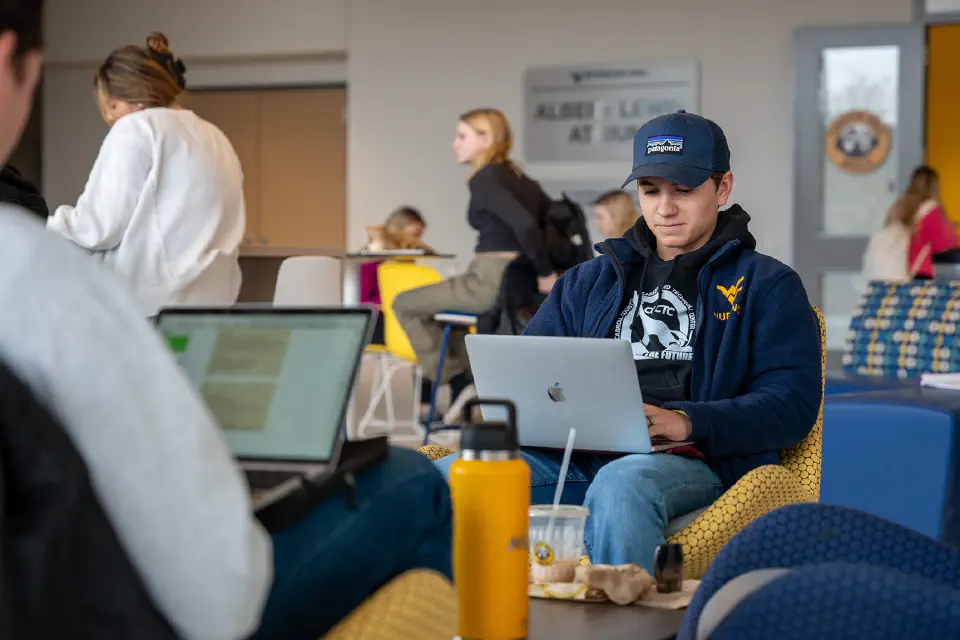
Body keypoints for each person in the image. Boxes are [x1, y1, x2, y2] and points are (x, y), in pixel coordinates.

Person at [0, 5, 451, 639]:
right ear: (12, 61)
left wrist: (49, 229)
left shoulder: (132, 137)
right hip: (203, 322)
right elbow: (216, 592)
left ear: (117, 98)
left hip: (145, 314)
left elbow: (96, 225)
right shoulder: (210, 135)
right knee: (413, 476)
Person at [434, 110, 822, 574]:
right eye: (650, 191)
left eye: (683, 190)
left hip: (695, 459)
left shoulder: (767, 284)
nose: (664, 208)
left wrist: (686, 420)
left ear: (722, 188)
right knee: (445, 480)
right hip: (574, 452)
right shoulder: (589, 280)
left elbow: (791, 406)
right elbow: (532, 371)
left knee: (622, 485)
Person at [45, 32, 245, 318]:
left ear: (130, 97)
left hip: (151, 308)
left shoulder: (137, 128)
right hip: (212, 306)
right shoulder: (215, 136)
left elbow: (97, 228)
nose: (111, 118)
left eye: (111, 107)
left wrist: (39, 226)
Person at [393, 107, 558, 417]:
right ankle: (465, 383)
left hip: (490, 277)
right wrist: (539, 268)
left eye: (462, 136)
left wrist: (545, 271)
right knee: (441, 313)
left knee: (404, 303)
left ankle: (457, 381)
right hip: (512, 278)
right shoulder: (521, 179)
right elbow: (548, 222)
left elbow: (525, 225)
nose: (455, 144)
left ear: (486, 138)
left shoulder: (485, 178)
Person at [360, 205, 430, 345]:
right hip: (380, 319)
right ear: (396, 230)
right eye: (414, 236)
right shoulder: (371, 258)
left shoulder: (407, 258)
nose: (415, 242)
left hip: (401, 314)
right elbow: (363, 299)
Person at [884, 165, 957, 279]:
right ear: (933, 187)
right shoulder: (931, 210)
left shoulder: (901, 206)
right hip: (920, 272)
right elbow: (944, 244)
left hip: (897, 270)